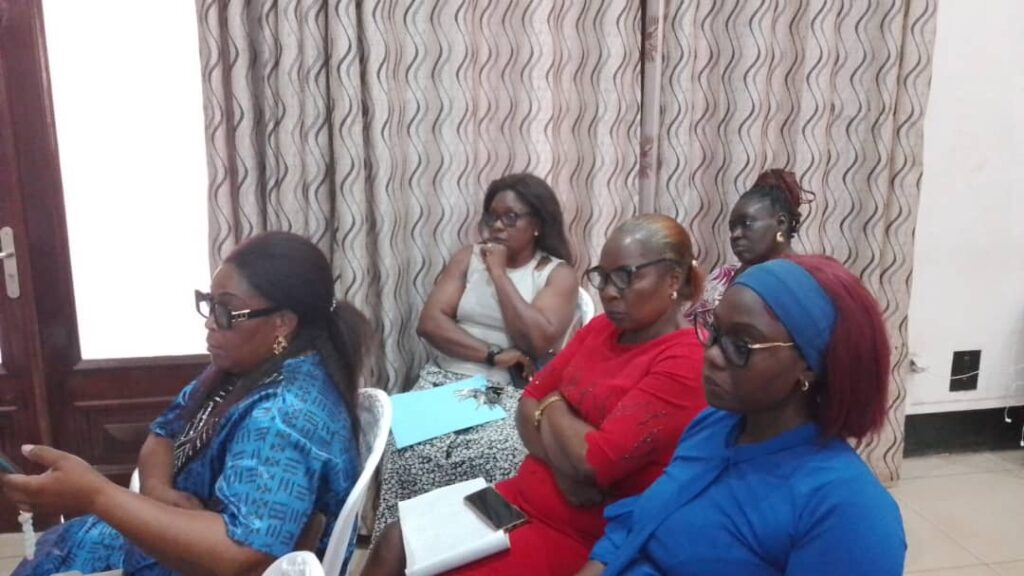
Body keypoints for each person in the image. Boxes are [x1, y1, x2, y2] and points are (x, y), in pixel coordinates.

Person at [2, 232, 370, 575]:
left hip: (203, 560)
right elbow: (163, 433)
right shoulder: (242, 369)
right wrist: (158, 491)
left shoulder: (283, 415)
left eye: (226, 312)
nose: (210, 323)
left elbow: (241, 551)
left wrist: (96, 495)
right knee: (55, 548)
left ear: (282, 323)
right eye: (209, 304)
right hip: (179, 541)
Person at [363, 214, 709, 576]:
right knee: (396, 538)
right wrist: (565, 458)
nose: (608, 291)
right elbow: (527, 403)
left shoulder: (684, 360)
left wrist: (552, 404)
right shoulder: (601, 328)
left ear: (673, 279)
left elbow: (594, 463)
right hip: (518, 497)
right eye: (603, 277)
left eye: (625, 276)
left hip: (578, 532)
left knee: (443, 570)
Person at [581, 255, 906, 576]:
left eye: (741, 345)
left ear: (809, 364)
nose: (712, 355)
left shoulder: (846, 509)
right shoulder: (715, 425)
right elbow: (640, 526)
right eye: (714, 331)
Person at [374, 173, 579, 536]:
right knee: (406, 447)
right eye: (492, 217)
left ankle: (485, 549)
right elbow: (430, 323)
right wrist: (492, 353)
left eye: (510, 218)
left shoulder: (555, 274)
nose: (497, 227)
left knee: (498, 451)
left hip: (508, 390)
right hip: (446, 379)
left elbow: (536, 341)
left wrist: (499, 273)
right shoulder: (468, 259)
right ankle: (408, 547)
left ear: (537, 224)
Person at [686, 168, 813, 326]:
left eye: (746, 223)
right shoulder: (723, 275)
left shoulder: (804, 283)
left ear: (781, 223)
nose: (735, 235)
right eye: (732, 227)